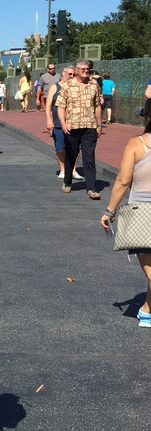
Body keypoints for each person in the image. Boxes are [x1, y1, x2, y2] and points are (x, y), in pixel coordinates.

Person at [101, 99, 151, 327]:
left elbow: (122, 181)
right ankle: (147, 310)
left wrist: (109, 211)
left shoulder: (137, 144)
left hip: (143, 214)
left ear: (146, 117)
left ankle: (147, 310)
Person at [56, 59, 103, 199]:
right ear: (76, 71)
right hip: (72, 126)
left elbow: (97, 106)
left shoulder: (94, 85)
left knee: (89, 156)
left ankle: (91, 188)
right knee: (71, 154)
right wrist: (63, 123)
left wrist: (99, 124)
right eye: (83, 69)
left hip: (89, 126)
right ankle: (67, 182)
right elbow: (60, 106)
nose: (85, 71)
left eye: (87, 69)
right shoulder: (67, 86)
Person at [46, 67, 84, 181]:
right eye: (70, 74)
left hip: (74, 122)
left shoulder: (75, 87)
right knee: (60, 148)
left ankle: (73, 170)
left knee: (76, 148)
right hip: (58, 123)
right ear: (63, 74)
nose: (72, 76)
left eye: (74, 75)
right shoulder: (55, 87)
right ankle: (63, 169)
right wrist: (49, 120)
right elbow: (48, 106)